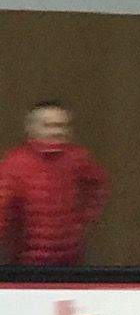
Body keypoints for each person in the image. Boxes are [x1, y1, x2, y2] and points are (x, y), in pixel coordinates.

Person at [0, 100, 108, 267]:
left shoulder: (78, 159)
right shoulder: (14, 163)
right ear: (31, 128)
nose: (56, 131)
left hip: (72, 256)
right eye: (48, 126)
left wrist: (82, 221)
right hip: (25, 260)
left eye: (61, 126)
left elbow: (96, 187)